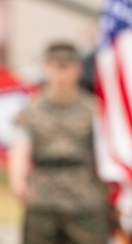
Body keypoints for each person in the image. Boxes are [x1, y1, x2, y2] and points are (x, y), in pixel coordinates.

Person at [8, 41, 110, 244]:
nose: (62, 74)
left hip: (84, 199)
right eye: (56, 67)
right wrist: (18, 181)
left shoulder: (94, 109)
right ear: (46, 69)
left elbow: (103, 152)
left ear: (78, 69)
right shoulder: (30, 110)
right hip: (43, 198)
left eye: (67, 67)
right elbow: (20, 148)